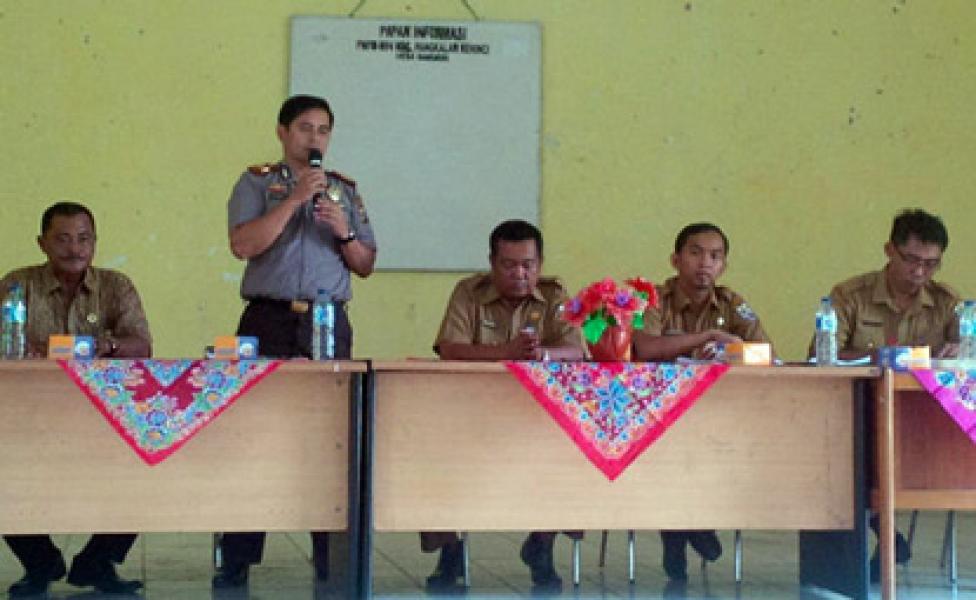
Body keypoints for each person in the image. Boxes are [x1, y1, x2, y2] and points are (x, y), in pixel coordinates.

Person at [212, 95, 377, 589]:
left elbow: (366, 264)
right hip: (269, 319)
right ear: (282, 132)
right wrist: (292, 201)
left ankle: (330, 558)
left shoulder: (344, 190)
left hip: (328, 321)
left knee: (329, 440)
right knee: (254, 435)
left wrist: (344, 232)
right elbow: (243, 245)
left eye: (323, 130)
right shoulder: (255, 183)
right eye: (305, 128)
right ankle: (237, 559)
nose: (315, 139)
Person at [0, 201, 151, 597]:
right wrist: (22, 352)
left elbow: (142, 345)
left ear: (95, 242)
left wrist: (108, 345)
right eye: (63, 239)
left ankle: (97, 563)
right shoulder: (16, 286)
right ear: (42, 243)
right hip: (30, 413)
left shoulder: (116, 286)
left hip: (104, 414)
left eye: (84, 239)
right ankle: (40, 563)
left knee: (150, 459)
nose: (74, 249)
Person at [425, 219, 585, 591]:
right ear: (492, 263)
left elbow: (577, 350)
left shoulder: (555, 294)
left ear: (540, 264)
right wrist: (506, 353)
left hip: (537, 416)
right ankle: (450, 550)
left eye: (528, 265)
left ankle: (542, 545)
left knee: (575, 447)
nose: (519, 273)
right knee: (432, 449)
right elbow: (450, 349)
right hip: (473, 413)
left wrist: (544, 355)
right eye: (509, 265)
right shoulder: (469, 292)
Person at [817, 208, 960, 582]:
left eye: (931, 264)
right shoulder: (850, 295)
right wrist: (876, 357)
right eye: (911, 260)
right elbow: (823, 355)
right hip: (859, 410)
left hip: (921, 417)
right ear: (889, 250)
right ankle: (883, 529)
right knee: (855, 445)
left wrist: (956, 355)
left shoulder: (946, 303)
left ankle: (885, 529)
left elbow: (965, 359)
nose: (919, 272)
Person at [632, 222, 772, 582]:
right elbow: (644, 347)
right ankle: (686, 527)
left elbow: (765, 352)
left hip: (716, 413)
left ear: (724, 265)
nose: (705, 263)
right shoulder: (652, 300)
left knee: (721, 448)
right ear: (676, 260)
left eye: (715, 256)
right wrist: (706, 336)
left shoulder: (733, 303)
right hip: (656, 413)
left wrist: (730, 351)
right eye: (695, 253)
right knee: (674, 449)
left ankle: (682, 530)